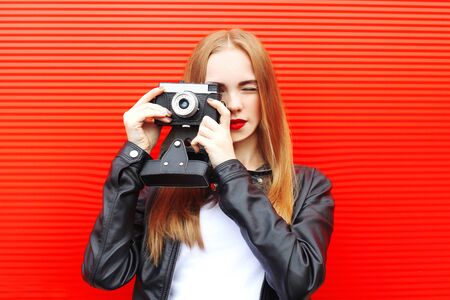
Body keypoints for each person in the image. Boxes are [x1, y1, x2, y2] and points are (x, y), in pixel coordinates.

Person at [82, 28, 335, 300]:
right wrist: (134, 155)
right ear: (192, 95)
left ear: (267, 96)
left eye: (249, 88)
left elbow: (299, 282)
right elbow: (104, 273)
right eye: (218, 90)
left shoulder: (307, 186)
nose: (235, 104)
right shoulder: (165, 184)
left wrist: (229, 168)